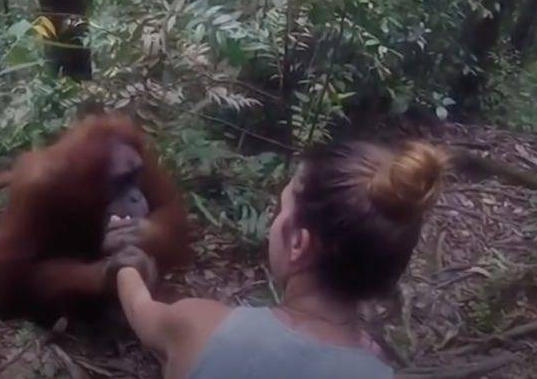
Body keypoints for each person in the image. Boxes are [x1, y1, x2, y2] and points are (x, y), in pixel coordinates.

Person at [110, 140, 448, 379]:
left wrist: (125, 262)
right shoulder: (379, 371)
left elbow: (142, 312)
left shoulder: (200, 327)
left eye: (281, 209)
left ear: (297, 243)